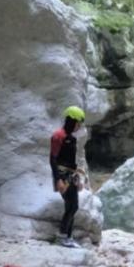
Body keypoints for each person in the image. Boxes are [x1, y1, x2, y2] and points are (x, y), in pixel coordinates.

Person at [49, 105, 86, 248]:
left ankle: (68, 237)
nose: (79, 126)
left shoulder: (71, 138)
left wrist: (78, 173)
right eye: (78, 123)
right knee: (72, 206)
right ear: (71, 121)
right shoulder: (58, 136)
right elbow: (53, 159)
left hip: (71, 174)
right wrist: (58, 179)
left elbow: (69, 160)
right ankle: (62, 236)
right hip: (62, 175)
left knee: (71, 206)